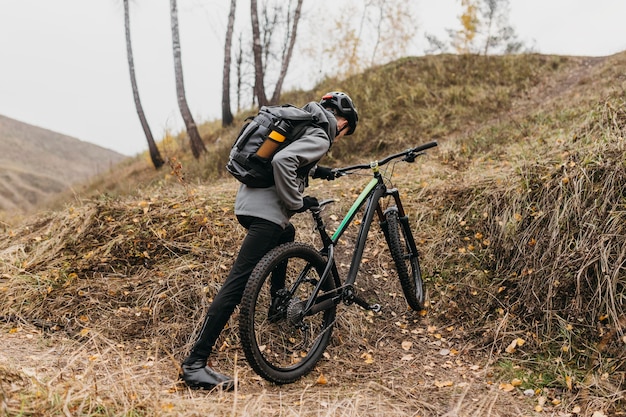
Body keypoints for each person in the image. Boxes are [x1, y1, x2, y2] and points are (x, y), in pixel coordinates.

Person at [180, 92, 359, 390]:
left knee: (286, 236)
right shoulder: (322, 133)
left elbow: (290, 156)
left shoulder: (301, 121)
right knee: (237, 284)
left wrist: (318, 170)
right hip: (267, 214)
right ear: (342, 122)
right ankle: (194, 364)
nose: (339, 139)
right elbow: (284, 160)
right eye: (345, 133)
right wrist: (298, 201)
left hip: (248, 207)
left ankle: (278, 297)